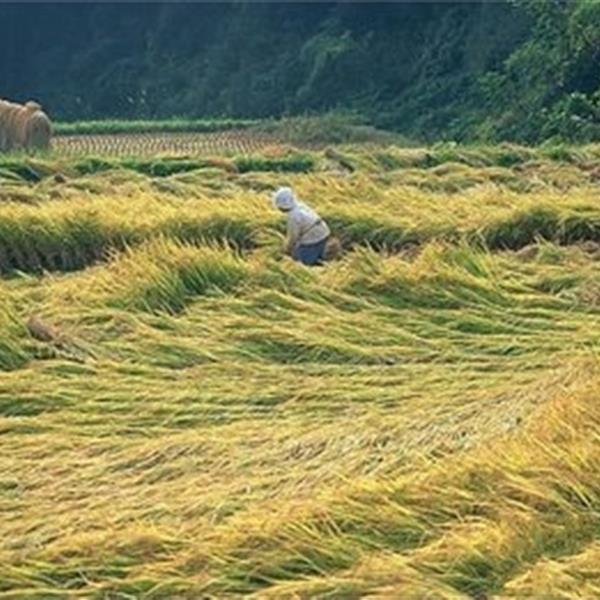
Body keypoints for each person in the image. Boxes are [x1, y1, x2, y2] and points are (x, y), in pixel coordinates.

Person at [272, 187, 331, 266]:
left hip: (314, 239)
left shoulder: (293, 216)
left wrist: (286, 250)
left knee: (300, 261)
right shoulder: (300, 205)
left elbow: (293, 238)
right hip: (324, 231)